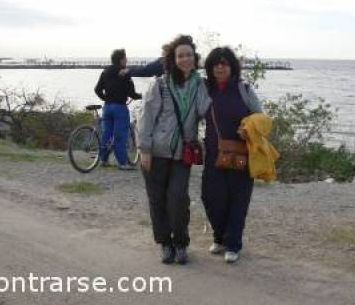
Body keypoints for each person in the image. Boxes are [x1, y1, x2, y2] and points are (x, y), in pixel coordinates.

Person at [138, 35, 211, 265]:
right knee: (157, 199)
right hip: (156, 151)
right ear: (173, 58)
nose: (185, 59)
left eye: (189, 55)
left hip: (182, 153)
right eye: (180, 55)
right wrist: (145, 149)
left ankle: (181, 242)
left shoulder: (200, 84)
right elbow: (145, 117)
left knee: (178, 198)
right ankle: (165, 243)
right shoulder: (159, 84)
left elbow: (205, 110)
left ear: (194, 58)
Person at [201, 46, 262, 263]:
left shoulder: (244, 88)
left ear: (232, 66)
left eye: (224, 62)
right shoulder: (205, 88)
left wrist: (248, 128)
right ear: (210, 67)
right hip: (213, 155)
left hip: (242, 154)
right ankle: (220, 236)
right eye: (216, 63)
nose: (220, 66)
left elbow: (261, 118)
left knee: (238, 201)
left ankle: (233, 244)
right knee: (210, 198)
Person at [95, 49, 142, 170]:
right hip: (120, 108)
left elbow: (97, 90)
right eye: (126, 58)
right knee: (120, 135)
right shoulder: (125, 73)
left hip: (107, 107)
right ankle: (122, 163)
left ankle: (104, 160)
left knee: (107, 134)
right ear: (121, 60)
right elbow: (132, 93)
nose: (127, 61)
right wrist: (142, 96)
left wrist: (106, 98)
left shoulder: (105, 72)